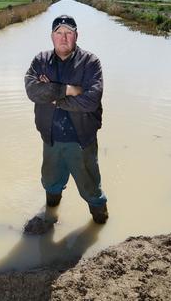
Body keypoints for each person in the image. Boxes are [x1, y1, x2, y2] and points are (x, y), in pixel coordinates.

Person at [24, 15, 108, 224]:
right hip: (50, 139)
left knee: (91, 189)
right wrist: (68, 90)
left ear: (76, 36)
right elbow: (32, 91)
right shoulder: (41, 61)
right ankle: (51, 215)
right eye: (59, 33)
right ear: (52, 36)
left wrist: (53, 97)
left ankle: (100, 221)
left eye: (68, 33)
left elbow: (90, 101)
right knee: (51, 183)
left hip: (81, 141)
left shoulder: (90, 62)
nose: (63, 38)